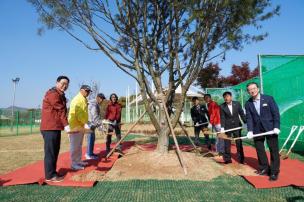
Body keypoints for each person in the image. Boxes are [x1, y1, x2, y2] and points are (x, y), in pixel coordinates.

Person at [245, 82, 280, 181]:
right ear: (248, 92)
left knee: (273, 150)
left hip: (270, 129)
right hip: (257, 130)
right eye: (250, 90)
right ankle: (264, 168)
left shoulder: (268, 99)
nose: (252, 90)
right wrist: (250, 130)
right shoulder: (248, 103)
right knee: (260, 150)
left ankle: (274, 171)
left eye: (254, 88)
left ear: (258, 88)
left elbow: (275, 113)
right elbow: (249, 118)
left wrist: (276, 126)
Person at [40, 75, 70, 182]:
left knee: (55, 150)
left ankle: (52, 172)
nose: (65, 86)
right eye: (63, 83)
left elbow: (62, 109)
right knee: (50, 152)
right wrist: (66, 125)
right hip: (49, 127)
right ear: (57, 82)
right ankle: (50, 176)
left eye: (67, 84)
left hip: (55, 127)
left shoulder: (60, 94)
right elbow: (60, 109)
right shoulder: (53, 94)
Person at [68, 85, 91, 170]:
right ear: (81, 90)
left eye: (88, 91)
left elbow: (83, 113)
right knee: (75, 145)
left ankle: (78, 160)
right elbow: (78, 113)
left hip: (80, 125)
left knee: (79, 145)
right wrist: (85, 123)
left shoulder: (83, 99)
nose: (87, 92)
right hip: (75, 126)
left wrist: (85, 122)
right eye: (86, 90)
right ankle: (74, 163)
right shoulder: (78, 99)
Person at [220, 91, 246, 164]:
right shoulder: (222, 106)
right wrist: (222, 127)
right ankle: (227, 159)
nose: (226, 98)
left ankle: (241, 159)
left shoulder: (237, 104)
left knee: (239, 143)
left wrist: (245, 122)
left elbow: (242, 114)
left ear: (231, 97)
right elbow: (222, 117)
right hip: (227, 127)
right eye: (225, 97)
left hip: (237, 126)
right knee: (227, 143)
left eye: (227, 96)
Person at [86, 93, 106, 160]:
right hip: (90, 124)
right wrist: (101, 128)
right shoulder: (94, 104)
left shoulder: (95, 103)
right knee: (90, 139)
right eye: (101, 99)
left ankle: (90, 153)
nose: (102, 101)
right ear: (98, 98)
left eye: (102, 99)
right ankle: (88, 154)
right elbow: (95, 117)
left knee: (92, 138)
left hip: (92, 125)